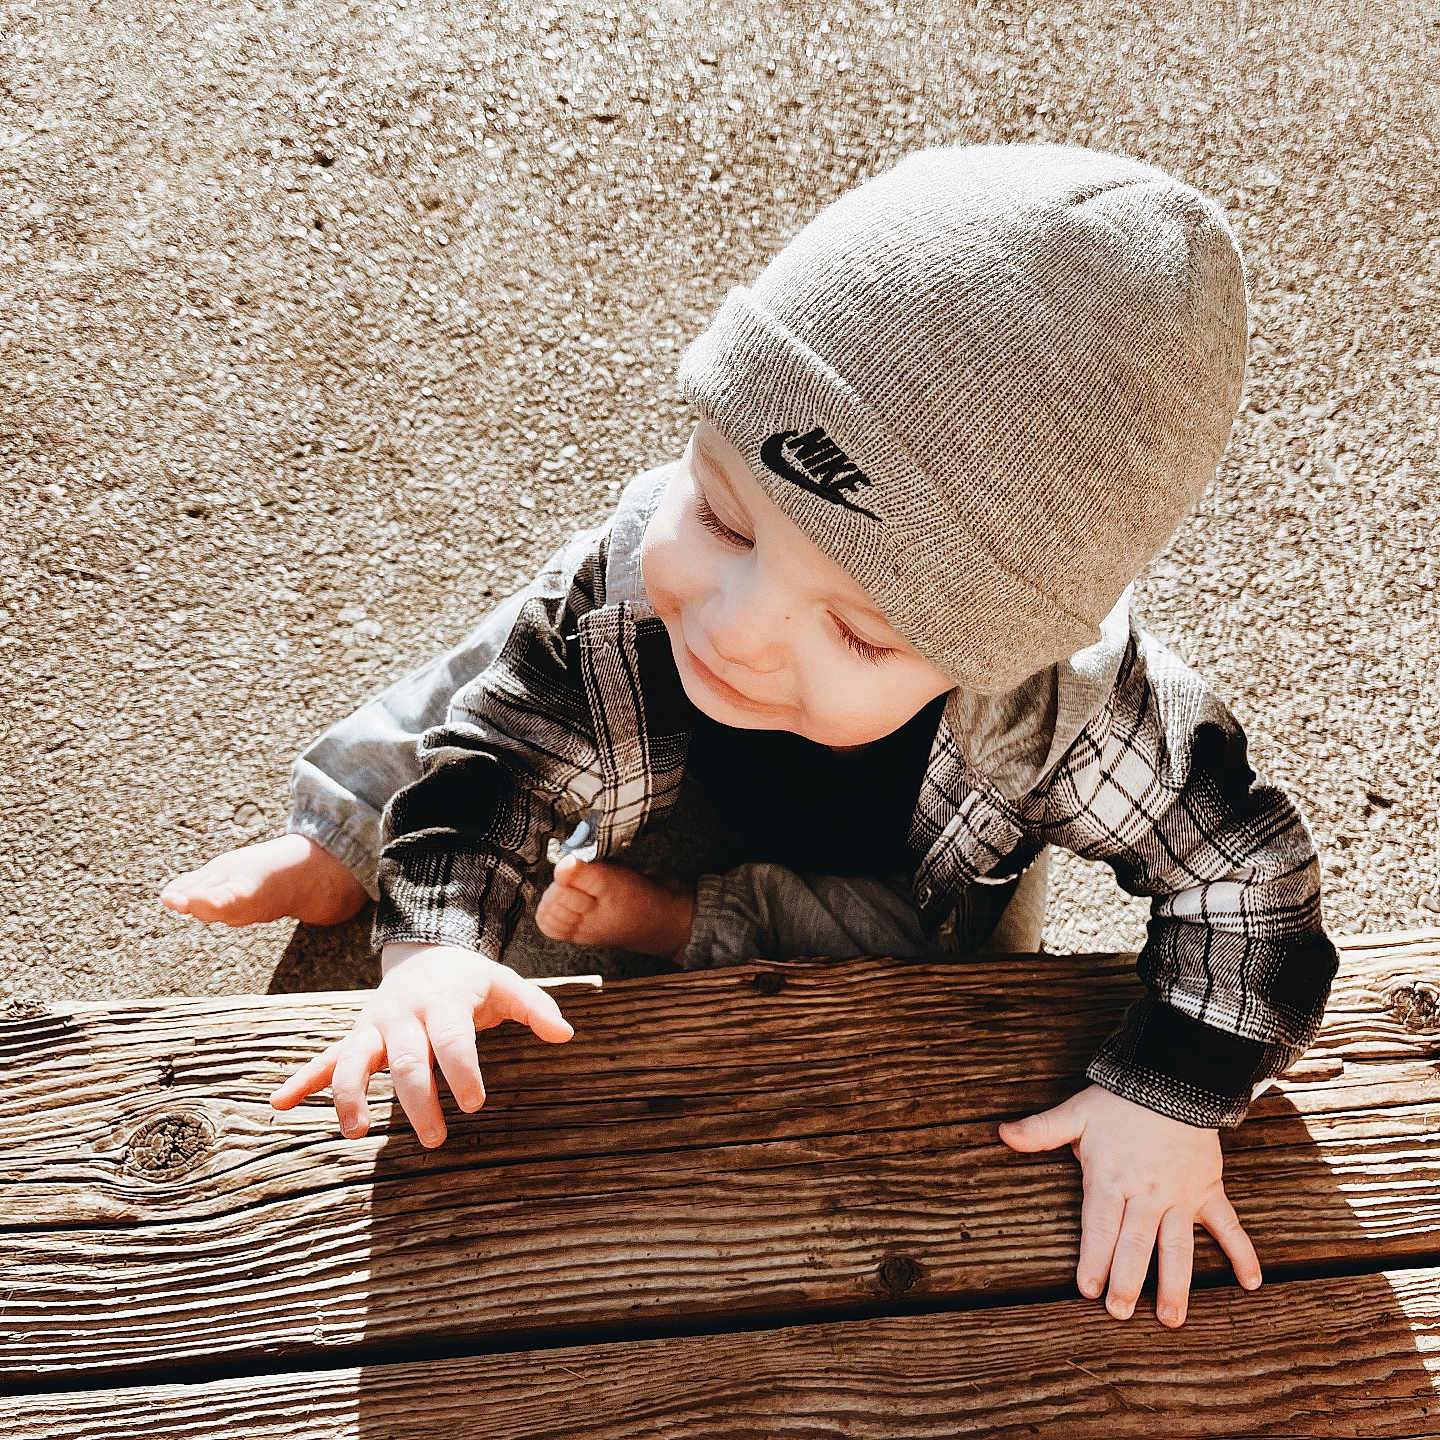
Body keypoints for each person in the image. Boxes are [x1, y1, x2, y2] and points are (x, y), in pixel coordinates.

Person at [159, 142, 1341, 1330]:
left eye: (862, 635)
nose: (741, 629)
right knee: (505, 666)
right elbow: (502, 756)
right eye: (725, 516)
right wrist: (437, 948)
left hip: (912, 888)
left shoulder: (1067, 719)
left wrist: (1172, 1095)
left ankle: (654, 912)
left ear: (1001, 650)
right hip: (647, 775)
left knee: (890, 974)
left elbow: (1246, 881)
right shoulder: (630, 587)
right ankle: (346, 834)